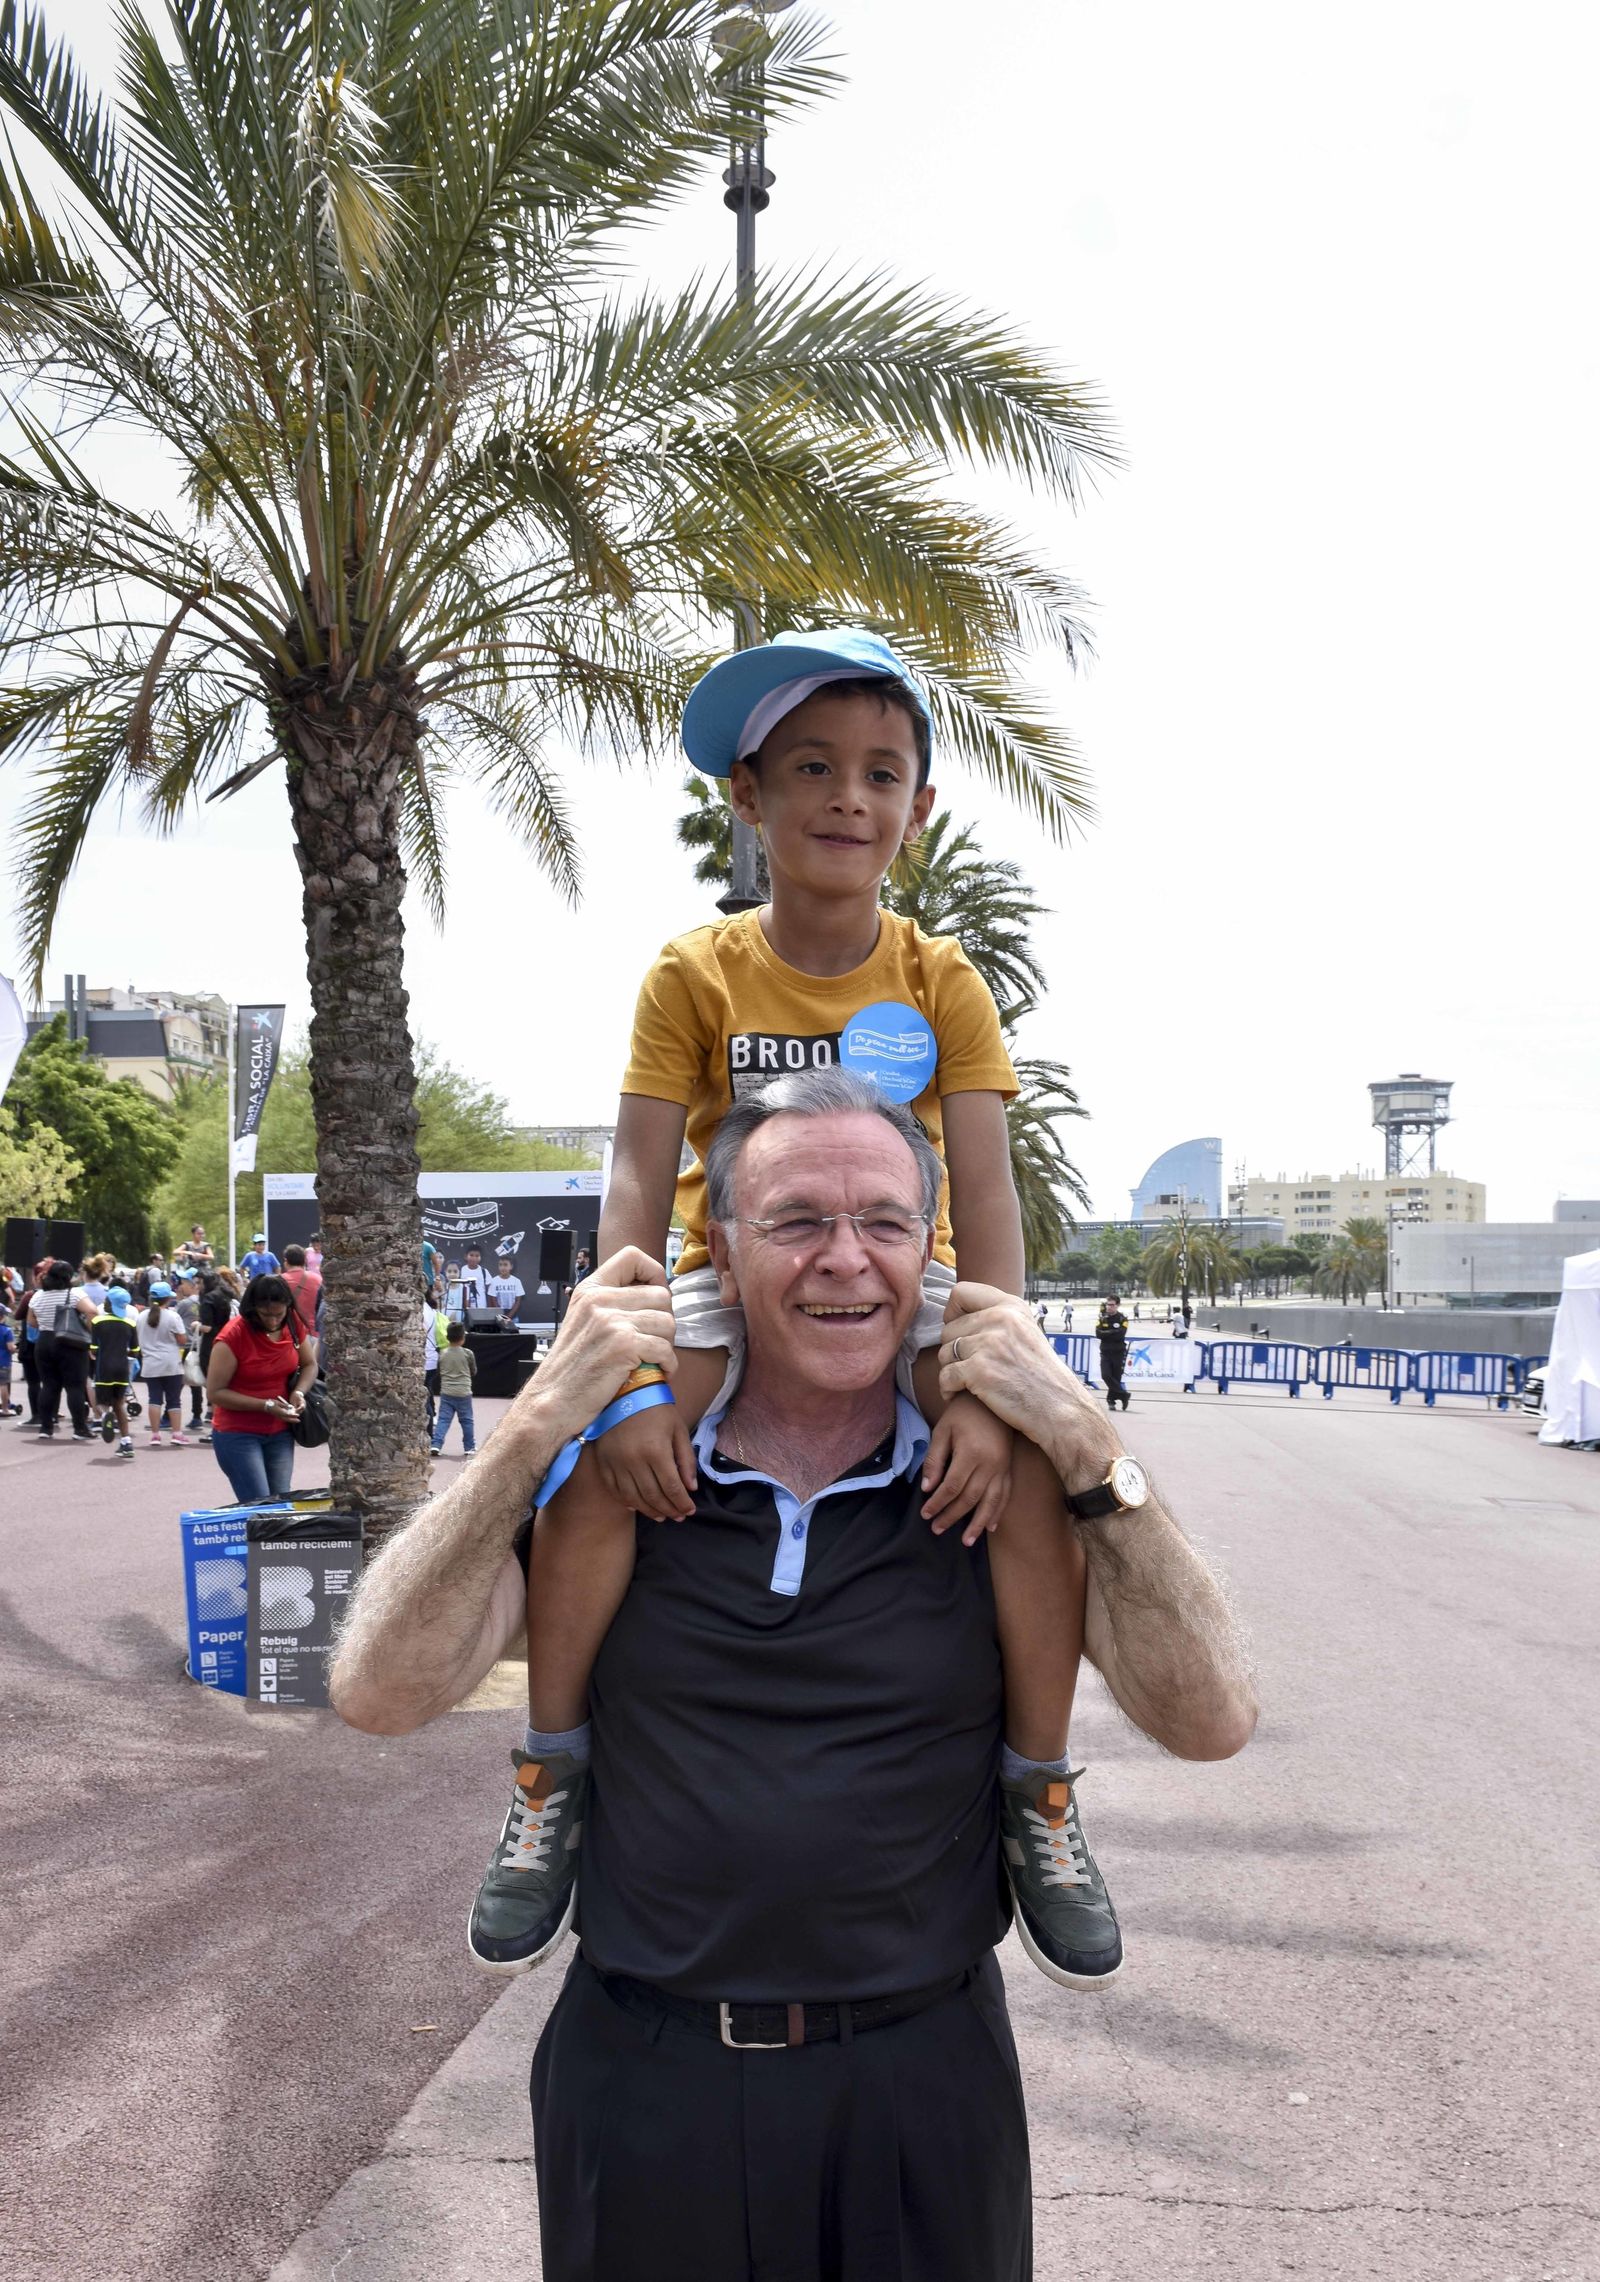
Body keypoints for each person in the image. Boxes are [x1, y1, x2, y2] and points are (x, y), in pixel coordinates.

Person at [329, 1071, 1257, 2281]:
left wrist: (1088, 1438)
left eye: (881, 1220)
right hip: (643, 2079)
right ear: (720, 1246)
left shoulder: (995, 1479)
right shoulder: (625, 1468)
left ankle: (1047, 1802)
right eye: (796, 1219)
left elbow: (1209, 1717)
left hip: (924, 2081)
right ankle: (541, 1784)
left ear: (928, 1250)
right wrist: (531, 1425)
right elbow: (378, 1690)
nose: (844, 1259)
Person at [466, 628, 1112, 1991]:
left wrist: (990, 1393)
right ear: (746, 796)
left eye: (882, 773)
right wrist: (635, 1380)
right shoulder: (695, 973)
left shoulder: (941, 980)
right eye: (811, 767)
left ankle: (1039, 1793)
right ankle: (552, 1772)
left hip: (909, 1282)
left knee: (1045, 1490)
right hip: (727, 1275)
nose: (847, 797)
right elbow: (639, 1173)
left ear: (918, 813)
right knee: (586, 1476)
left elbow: (987, 1196)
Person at [205, 1272, 318, 1502]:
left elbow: (310, 1364)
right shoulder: (233, 1336)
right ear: (253, 1307)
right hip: (238, 1434)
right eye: (266, 1314)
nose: (273, 1320)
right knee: (259, 1506)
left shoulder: (293, 1323)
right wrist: (265, 1406)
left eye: (279, 1314)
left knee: (281, 1503)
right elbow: (215, 1393)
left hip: (280, 1431)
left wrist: (299, 1392)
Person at [29, 1262, 97, 1441]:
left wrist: (46, 1323)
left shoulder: (38, 1296)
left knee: (49, 1385)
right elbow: (92, 1311)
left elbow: (31, 1321)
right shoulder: (74, 1293)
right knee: (74, 1386)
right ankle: (79, 1428)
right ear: (68, 1277)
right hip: (69, 1342)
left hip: (44, 1341)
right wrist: (88, 1330)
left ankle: (45, 1427)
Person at [137, 1282, 191, 1446]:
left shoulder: (141, 1316)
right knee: (174, 1400)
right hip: (170, 1363)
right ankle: (176, 1433)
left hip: (150, 1363)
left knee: (154, 1399)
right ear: (168, 1298)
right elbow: (182, 1340)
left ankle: (155, 1434)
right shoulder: (173, 1316)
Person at [89, 1287, 140, 1458]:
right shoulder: (130, 1323)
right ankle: (126, 1442)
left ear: (108, 1303)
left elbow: (94, 1349)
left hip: (104, 1367)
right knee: (120, 1405)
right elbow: (135, 1350)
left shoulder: (98, 1322)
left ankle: (105, 1415)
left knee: (100, 1401)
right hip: (122, 1369)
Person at [431, 1320, 478, 1456]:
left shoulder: (443, 1354)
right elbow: (473, 1370)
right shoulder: (468, 1353)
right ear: (463, 1337)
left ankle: (436, 1444)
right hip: (464, 1392)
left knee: (443, 1420)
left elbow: (439, 1371)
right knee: (467, 1420)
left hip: (446, 1392)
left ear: (447, 1337)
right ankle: (469, 1447)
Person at [280, 1244, 323, 1347]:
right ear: (304, 1261)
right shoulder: (318, 1279)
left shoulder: (279, 1282)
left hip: (290, 1337)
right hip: (315, 1337)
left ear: (286, 1261)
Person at [1095, 1294, 1131, 1413]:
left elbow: (1121, 1334)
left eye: (1112, 1305)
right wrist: (1113, 1332)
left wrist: (1108, 1332)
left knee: (1116, 1377)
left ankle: (1111, 1400)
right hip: (1105, 1351)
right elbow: (1098, 1334)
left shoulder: (1123, 1318)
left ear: (1117, 1305)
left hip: (1118, 1351)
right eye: (1107, 1304)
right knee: (1106, 1375)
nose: (1109, 1307)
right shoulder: (1101, 1317)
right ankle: (1123, 1394)